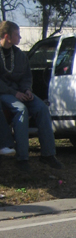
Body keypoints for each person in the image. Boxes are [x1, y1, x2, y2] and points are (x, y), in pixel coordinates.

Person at [0, 20, 62, 173]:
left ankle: (48, 154)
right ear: (7, 36)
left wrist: (27, 90)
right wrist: (15, 93)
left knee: (41, 107)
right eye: (17, 35)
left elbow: (27, 76)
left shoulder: (19, 55)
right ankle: (22, 158)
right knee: (21, 110)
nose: (19, 38)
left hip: (20, 92)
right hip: (5, 93)